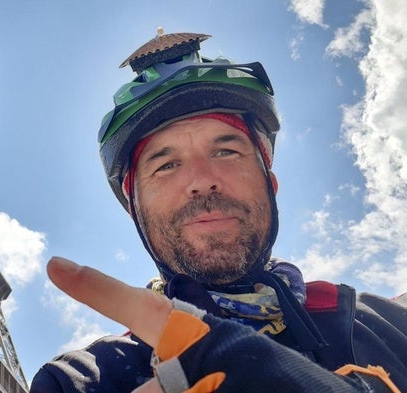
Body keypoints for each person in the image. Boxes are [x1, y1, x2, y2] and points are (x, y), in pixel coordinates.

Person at [30, 31, 407, 392]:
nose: (202, 180)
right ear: (135, 211)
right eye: (166, 165)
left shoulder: (390, 325)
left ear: (270, 185)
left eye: (226, 151)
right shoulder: (80, 382)